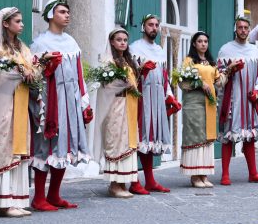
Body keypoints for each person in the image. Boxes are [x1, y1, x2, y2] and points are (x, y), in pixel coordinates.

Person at [29, 0, 92, 211]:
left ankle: (54, 194)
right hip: (50, 102)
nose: (67, 15)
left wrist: (84, 103)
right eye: (62, 12)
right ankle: (38, 197)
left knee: (65, 145)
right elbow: (33, 75)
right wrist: (45, 66)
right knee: (44, 146)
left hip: (71, 101)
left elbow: (79, 75)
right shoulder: (40, 43)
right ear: (50, 15)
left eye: (68, 12)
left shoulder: (72, 43)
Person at [0, 7, 38, 217]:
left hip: (20, 104)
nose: (22, 24)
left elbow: (31, 67)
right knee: (3, 147)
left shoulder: (21, 47)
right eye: (18, 21)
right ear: (6, 23)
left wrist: (34, 68)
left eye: (22, 21)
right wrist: (17, 71)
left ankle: (15, 199)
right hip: (4, 105)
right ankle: (2, 202)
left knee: (17, 147)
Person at [129, 14, 181, 194]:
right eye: (150, 25)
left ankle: (150, 180)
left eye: (156, 25)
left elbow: (164, 77)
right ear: (143, 27)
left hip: (157, 98)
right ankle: (134, 180)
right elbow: (129, 75)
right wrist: (141, 70)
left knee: (151, 139)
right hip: (141, 97)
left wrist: (170, 96)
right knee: (139, 138)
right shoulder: (135, 47)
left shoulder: (159, 50)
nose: (154, 28)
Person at [217, 16, 258, 185]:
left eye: (246, 28)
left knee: (249, 137)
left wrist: (257, 90)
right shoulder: (225, 50)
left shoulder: (254, 50)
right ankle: (225, 174)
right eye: (240, 27)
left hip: (249, 100)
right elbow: (218, 76)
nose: (243, 30)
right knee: (228, 136)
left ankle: (253, 173)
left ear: (249, 30)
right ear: (235, 29)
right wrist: (230, 69)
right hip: (232, 99)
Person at [93, 29, 140, 199]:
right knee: (117, 142)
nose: (122, 42)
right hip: (116, 106)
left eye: (125, 40)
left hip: (129, 105)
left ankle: (123, 182)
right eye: (118, 39)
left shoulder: (128, 61)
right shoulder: (108, 61)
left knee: (128, 142)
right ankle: (114, 184)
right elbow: (107, 85)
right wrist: (124, 84)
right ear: (112, 42)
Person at [179, 32, 223, 188]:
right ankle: (194, 175)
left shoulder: (211, 63)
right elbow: (182, 81)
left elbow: (218, 81)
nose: (203, 44)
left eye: (205, 41)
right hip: (194, 104)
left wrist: (228, 72)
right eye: (200, 41)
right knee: (195, 136)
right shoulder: (189, 61)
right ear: (194, 44)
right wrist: (199, 83)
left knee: (206, 137)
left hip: (209, 104)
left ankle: (204, 174)